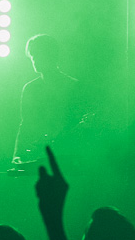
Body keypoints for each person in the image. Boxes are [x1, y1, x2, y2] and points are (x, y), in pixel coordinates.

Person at [13, 34, 83, 164]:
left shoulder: (73, 86)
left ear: (51, 55)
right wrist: (18, 154)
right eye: (32, 55)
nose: (34, 59)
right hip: (39, 154)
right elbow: (26, 124)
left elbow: (78, 122)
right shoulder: (30, 88)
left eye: (38, 54)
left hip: (67, 153)